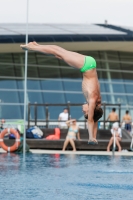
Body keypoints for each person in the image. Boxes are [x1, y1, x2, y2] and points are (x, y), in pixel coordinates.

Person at [20, 42, 103, 144]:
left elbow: (95, 120)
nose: (84, 111)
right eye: (86, 112)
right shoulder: (92, 99)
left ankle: (36, 45)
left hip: (89, 64)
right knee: (58, 51)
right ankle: (32, 47)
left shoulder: (97, 103)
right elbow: (91, 120)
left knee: (59, 54)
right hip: (86, 65)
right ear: (92, 110)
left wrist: (95, 137)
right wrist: (91, 137)